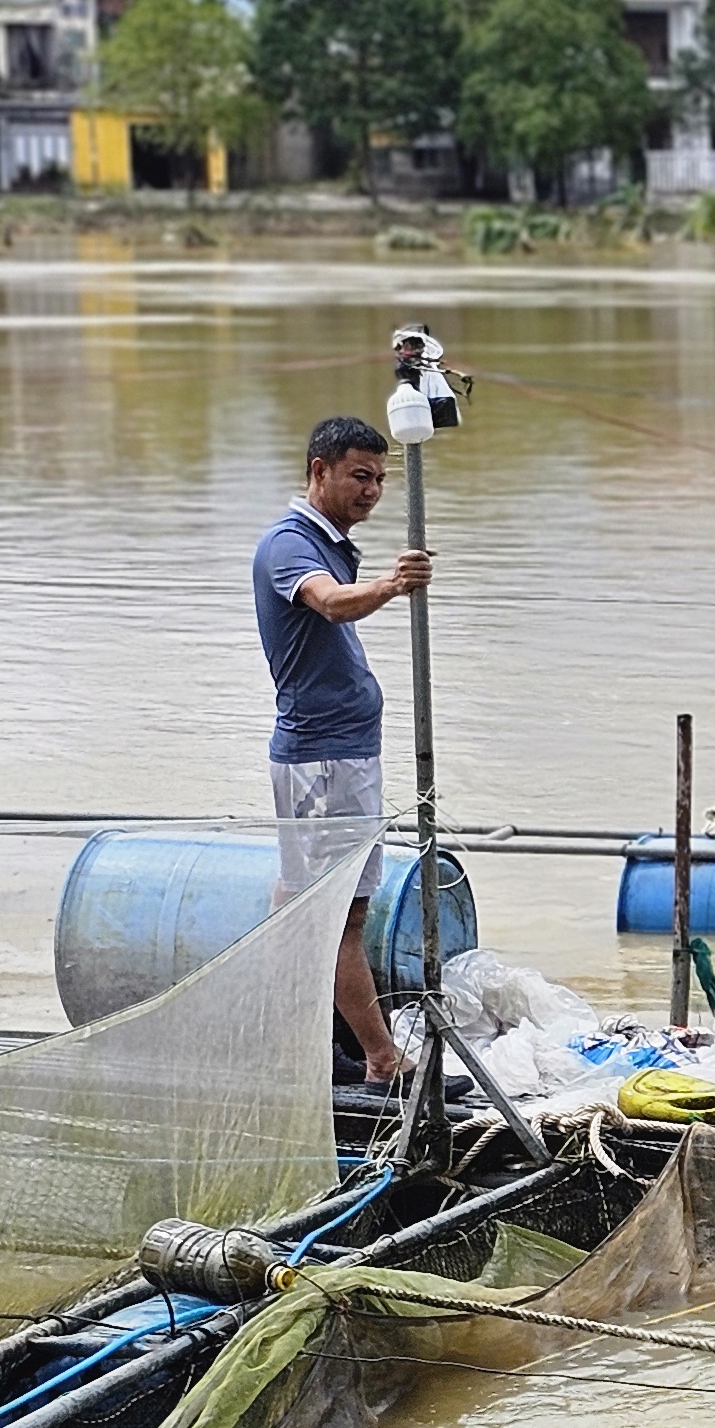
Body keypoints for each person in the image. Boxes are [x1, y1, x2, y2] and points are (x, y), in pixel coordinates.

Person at [254, 416, 427, 1082]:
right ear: (319, 470)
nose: (373, 491)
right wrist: (391, 584)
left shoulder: (327, 540)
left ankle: (294, 1041)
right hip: (325, 759)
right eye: (360, 475)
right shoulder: (289, 546)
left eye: (382, 479)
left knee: (301, 902)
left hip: (337, 753)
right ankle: (383, 1059)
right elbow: (329, 605)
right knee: (340, 918)